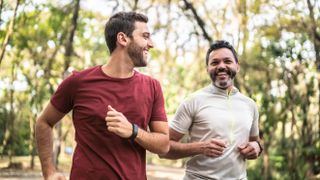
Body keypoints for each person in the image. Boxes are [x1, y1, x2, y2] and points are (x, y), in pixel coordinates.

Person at [35, 11, 169, 180]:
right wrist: (49, 172)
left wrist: (133, 131)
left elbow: (164, 145)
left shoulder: (152, 87)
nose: (151, 44)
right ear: (123, 39)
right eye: (145, 36)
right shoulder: (78, 82)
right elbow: (44, 122)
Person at [160, 40, 263, 179]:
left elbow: (255, 141)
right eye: (215, 62)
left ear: (237, 67)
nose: (221, 66)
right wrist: (199, 148)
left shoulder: (250, 105)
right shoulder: (193, 101)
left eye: (227, 61)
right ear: (207, 69)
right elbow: (163, 149)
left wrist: (257, 147)